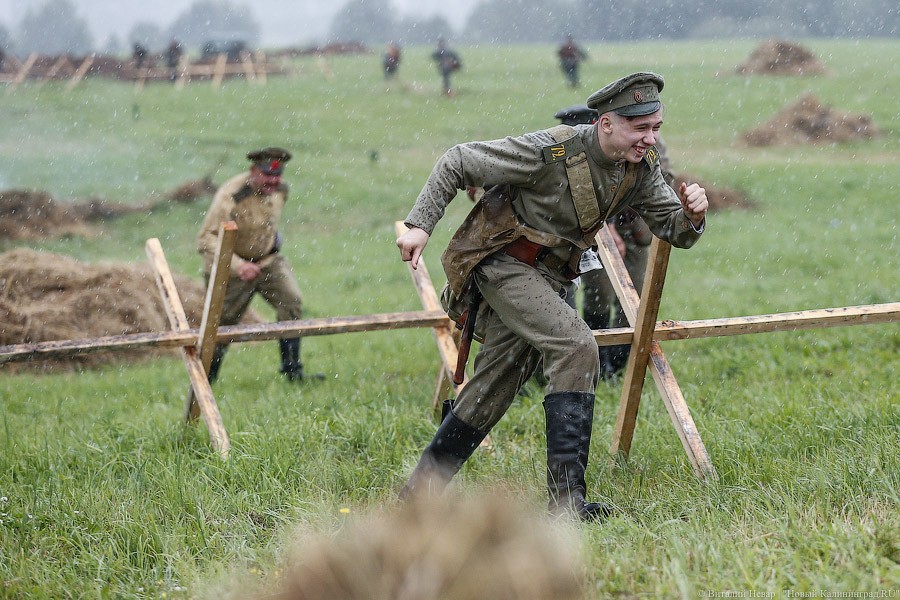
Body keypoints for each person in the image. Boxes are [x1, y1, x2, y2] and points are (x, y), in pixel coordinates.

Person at [395, 72, 708, 522]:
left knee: (491, 391)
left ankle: (417, 496)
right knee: (577, 346)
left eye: (656, 128)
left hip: (551, 278)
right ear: (606, 125)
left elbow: (673, 230)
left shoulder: (639, 169)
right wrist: (420, 225)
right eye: (641, 129)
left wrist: (693, 215)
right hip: (504, 265)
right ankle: (566, 505)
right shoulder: (551, 150)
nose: (650, 139)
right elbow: (458, 160)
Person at [553, 107, 678, 379]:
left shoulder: (650, 147)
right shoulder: (579, 152)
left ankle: (618, 365)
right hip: (592, 233)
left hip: (637, 229)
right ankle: (595, 361)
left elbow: (662, 179)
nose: (648, 137)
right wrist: (607, 228)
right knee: (600, 295)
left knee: (635, 300)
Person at [197, 147, 320, 384]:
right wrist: (239, 266)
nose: (273, 181)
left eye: (277, 175)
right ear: (253, 171)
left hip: (267, 262)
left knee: (291, 302)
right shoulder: (231, 196)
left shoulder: (281, 190)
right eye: (267, 175)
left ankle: (293, 372)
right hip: (230, 269)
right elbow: (206, 239)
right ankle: (205, 383)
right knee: (220, 326)